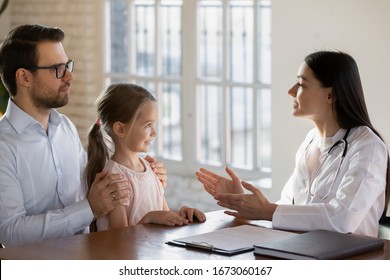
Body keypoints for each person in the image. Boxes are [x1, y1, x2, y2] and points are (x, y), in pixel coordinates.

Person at [0, 24, 167, 247]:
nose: (69, 76)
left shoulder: (65, 127)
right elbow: (10, 233)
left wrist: (144, 180)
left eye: (68, 65)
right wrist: (89, 208)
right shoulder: (4, 146)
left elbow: (94, 189)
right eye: (57, 69)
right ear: (24, 77)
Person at [196, 50, 390, 237]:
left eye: (301, 84)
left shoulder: (368, 147)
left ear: (331, 95)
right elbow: (288, 209)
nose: (291, 91)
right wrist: (244, 203)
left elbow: (343, 218)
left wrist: (266, 210)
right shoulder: (311, 141)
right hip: (303, 251)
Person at [86, 83, 206, 230]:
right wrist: (149, 218)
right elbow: (119, 237)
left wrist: (182, 215)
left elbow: (164, 216)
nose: (154, 133)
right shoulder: (114, 179)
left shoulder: (151, 169)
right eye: (148, 125)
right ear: (120, 129)